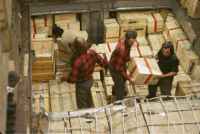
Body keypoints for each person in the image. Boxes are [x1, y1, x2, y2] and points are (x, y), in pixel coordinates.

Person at [65, 37, 108, 109]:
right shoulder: (92, 52)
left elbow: (72, 79)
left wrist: (65, 78)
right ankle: (90, 108)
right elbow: (103, 62)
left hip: (81, 84)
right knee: (88, 95)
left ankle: (85, 116)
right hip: (90, 80)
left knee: (81, 104)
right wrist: (107, 67)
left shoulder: (77, 62)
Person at [109, 31, 137, 101]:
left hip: (120, 63)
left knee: (122, 80)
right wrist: (129, 78)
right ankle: (119, 102)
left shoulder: (125, 40)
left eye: (133, 41)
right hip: (115, 67)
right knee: (120, 85)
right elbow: (119, 69)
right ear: (127, 39)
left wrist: (128, 58)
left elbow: (126, 53)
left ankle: (114, 93)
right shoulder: (122, 50)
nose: (132, 43)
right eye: (131, 42)